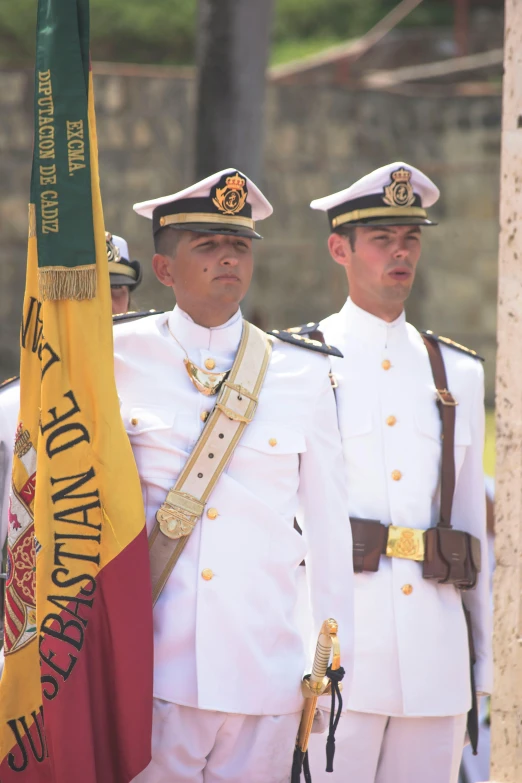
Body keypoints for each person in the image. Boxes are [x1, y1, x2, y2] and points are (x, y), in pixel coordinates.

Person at [111, 168, 354, 783]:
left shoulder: (304, 374)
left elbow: (329, 537)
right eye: (207, 246)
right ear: (164, 270)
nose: (228, 259)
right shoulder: (115, 358)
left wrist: (328, 673)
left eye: (239, 246)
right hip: (154, 676)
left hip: (263, 676)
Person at [298, 162, 492, 783]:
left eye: (411, 237)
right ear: (340, 249)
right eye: (381, 238)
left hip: (434, 655)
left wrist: (481, 660)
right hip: (336, 653)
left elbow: (470, 529)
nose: (400, 251)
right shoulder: (298, 362)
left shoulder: (455, 374)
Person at [0, 232, 143, 553]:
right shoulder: (11, 408)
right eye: (89, 292)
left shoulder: (158, 399)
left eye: (116, 291)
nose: (104, 306)